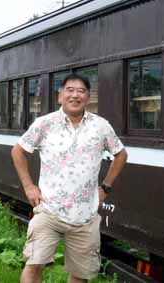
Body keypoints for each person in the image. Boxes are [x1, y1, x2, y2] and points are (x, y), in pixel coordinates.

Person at [11, 73, 128, 283]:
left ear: (88, 97)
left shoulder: (101, 126)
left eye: (81, 91)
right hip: (49, 210)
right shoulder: (44, 123)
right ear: (60, 96)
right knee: (34, 264)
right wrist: (29, 186)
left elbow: (121, 155)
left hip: (85, 216)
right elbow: (18, 151)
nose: (75, 95)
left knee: (80, 275)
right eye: (70, 90)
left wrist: (105, 188)